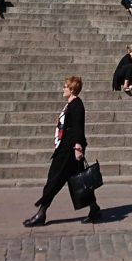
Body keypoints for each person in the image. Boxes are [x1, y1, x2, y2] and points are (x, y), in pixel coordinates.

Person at [23, 75, 101, 226]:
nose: (63, 88)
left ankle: (41, 213)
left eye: (65, 86)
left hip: (69, 150)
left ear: (72, 89)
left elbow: (79, 128)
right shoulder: (71, 104)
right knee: (80, 181)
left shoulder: (76, 104)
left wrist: (78, 147)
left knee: (54, 180)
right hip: (66, 148)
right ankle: (94, 208)